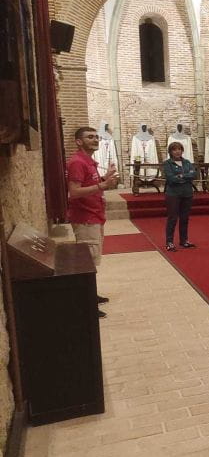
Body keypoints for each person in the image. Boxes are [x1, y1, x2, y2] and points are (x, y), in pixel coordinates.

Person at [67, 126, 119, 318]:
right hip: (85, 217)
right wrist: (102, 185)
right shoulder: (77, 162)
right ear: (79, 141)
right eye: (90, 137)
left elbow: (90, 184)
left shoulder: (88, 161)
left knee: (92, 260)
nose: (95, 140)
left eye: (96, 137)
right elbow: (74, 192)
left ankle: (91, 294)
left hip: (94, 215)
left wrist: (105, 177)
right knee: (87, 261)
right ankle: (86, 303)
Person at [162, 141, 197, 252]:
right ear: (170, 152)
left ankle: (184, 240)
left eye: (179, 149)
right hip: (173, 194)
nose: (177, 151)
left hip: (187, 193)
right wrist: (185, 177)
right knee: (172, 218)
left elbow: (193, 174)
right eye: (174, 149)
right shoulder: (167, 163)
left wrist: (181, 176)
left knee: (184, 218)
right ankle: (169, 242)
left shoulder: (187, 162)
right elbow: (171, 178)